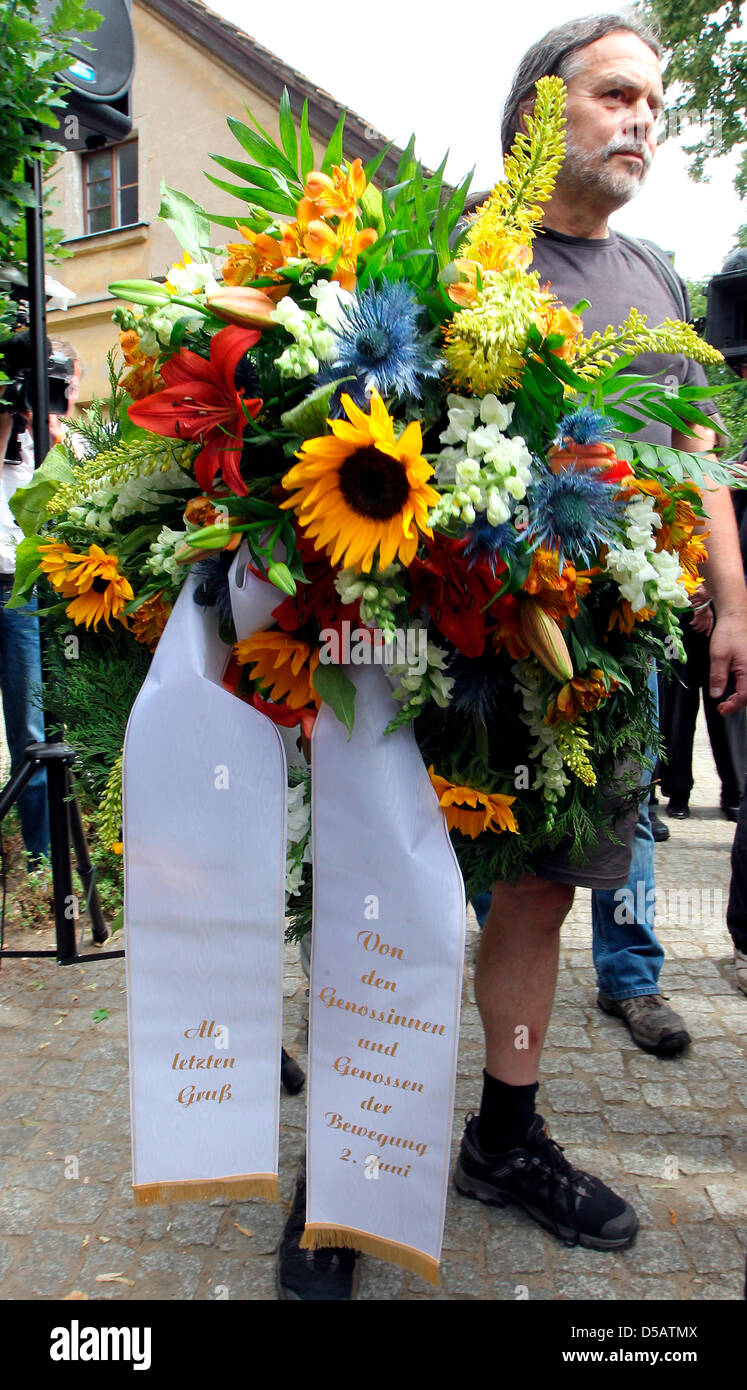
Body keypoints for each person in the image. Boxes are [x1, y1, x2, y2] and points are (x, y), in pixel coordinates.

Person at [456, 14, 747, 1251]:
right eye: (617, 93)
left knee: (537, 900)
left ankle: (503, 1137)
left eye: (656, 104)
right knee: (393, 900)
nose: (643, 120)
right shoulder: (461, 252)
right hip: (454, 656)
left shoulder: (661, 281)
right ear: (540, 113)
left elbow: (699, 459)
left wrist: (732, 599)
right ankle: (359, 1151)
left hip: (600, 671)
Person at [0, 336, 79, 869]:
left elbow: (87, 497)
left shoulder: (68, 440)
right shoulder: (3, 430)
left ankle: (41, 858)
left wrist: (56, 438)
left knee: (31, 726)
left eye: (60, 388)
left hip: (27, 593)